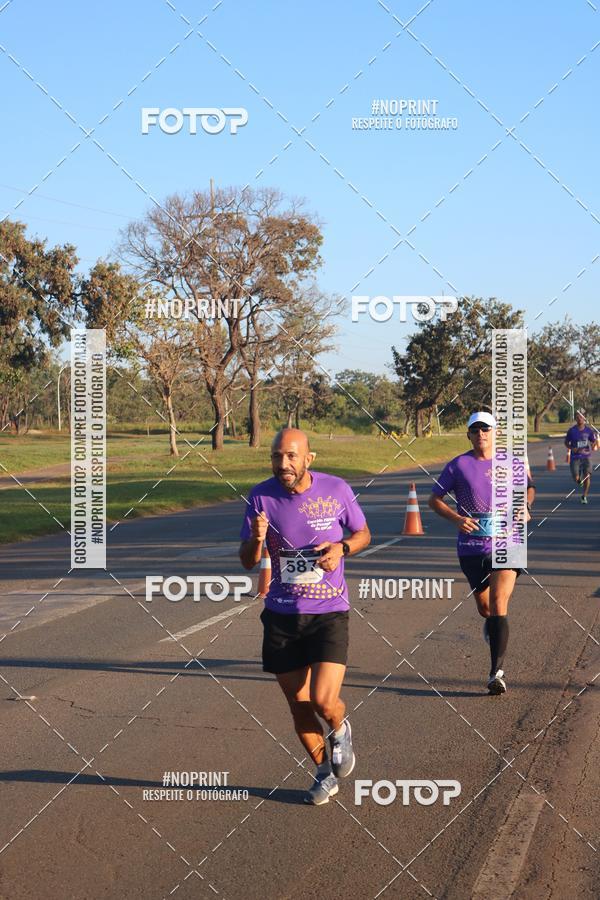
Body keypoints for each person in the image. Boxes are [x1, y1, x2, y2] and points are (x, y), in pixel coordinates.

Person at [239, 428, 371, 805]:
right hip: (281, 616)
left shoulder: (336, 489)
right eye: (277, 456)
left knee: (323, 701)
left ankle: (340, 728)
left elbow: (363, 533)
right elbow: (248, 561)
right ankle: (323, 772)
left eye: (292, 456)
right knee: (298, 704)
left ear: (308, 459)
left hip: (329, 611)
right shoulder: (260, 497)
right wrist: (257, 538)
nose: (283, 464)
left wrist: (341, 548)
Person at [428, 411, 535, 695]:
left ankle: (495, 673)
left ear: (494, 432)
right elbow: (433, 499)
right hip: (472, 546)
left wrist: (525, 506)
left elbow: (529, 489)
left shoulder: (511, 463)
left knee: (500, 602)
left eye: (485, 430)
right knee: (486, 608)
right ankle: (494, 628)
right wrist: (456, 519)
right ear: (469, 435)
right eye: (475, 431)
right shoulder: (458, 465)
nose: (481, 435)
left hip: (508, 543)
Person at [564, 409, 599, 505]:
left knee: (587, 476)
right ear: (576, 418)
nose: (580, 418)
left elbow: (593, 441)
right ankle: (579, 480)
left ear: (584, 418)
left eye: (581, 416)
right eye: (578, 417)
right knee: (576, 478)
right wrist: (572, 448)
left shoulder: (589, 431)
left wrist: (594, 444)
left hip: (586, 457)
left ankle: (584, 496)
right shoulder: (572, 431)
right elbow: (566, 442)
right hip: (575, 458)